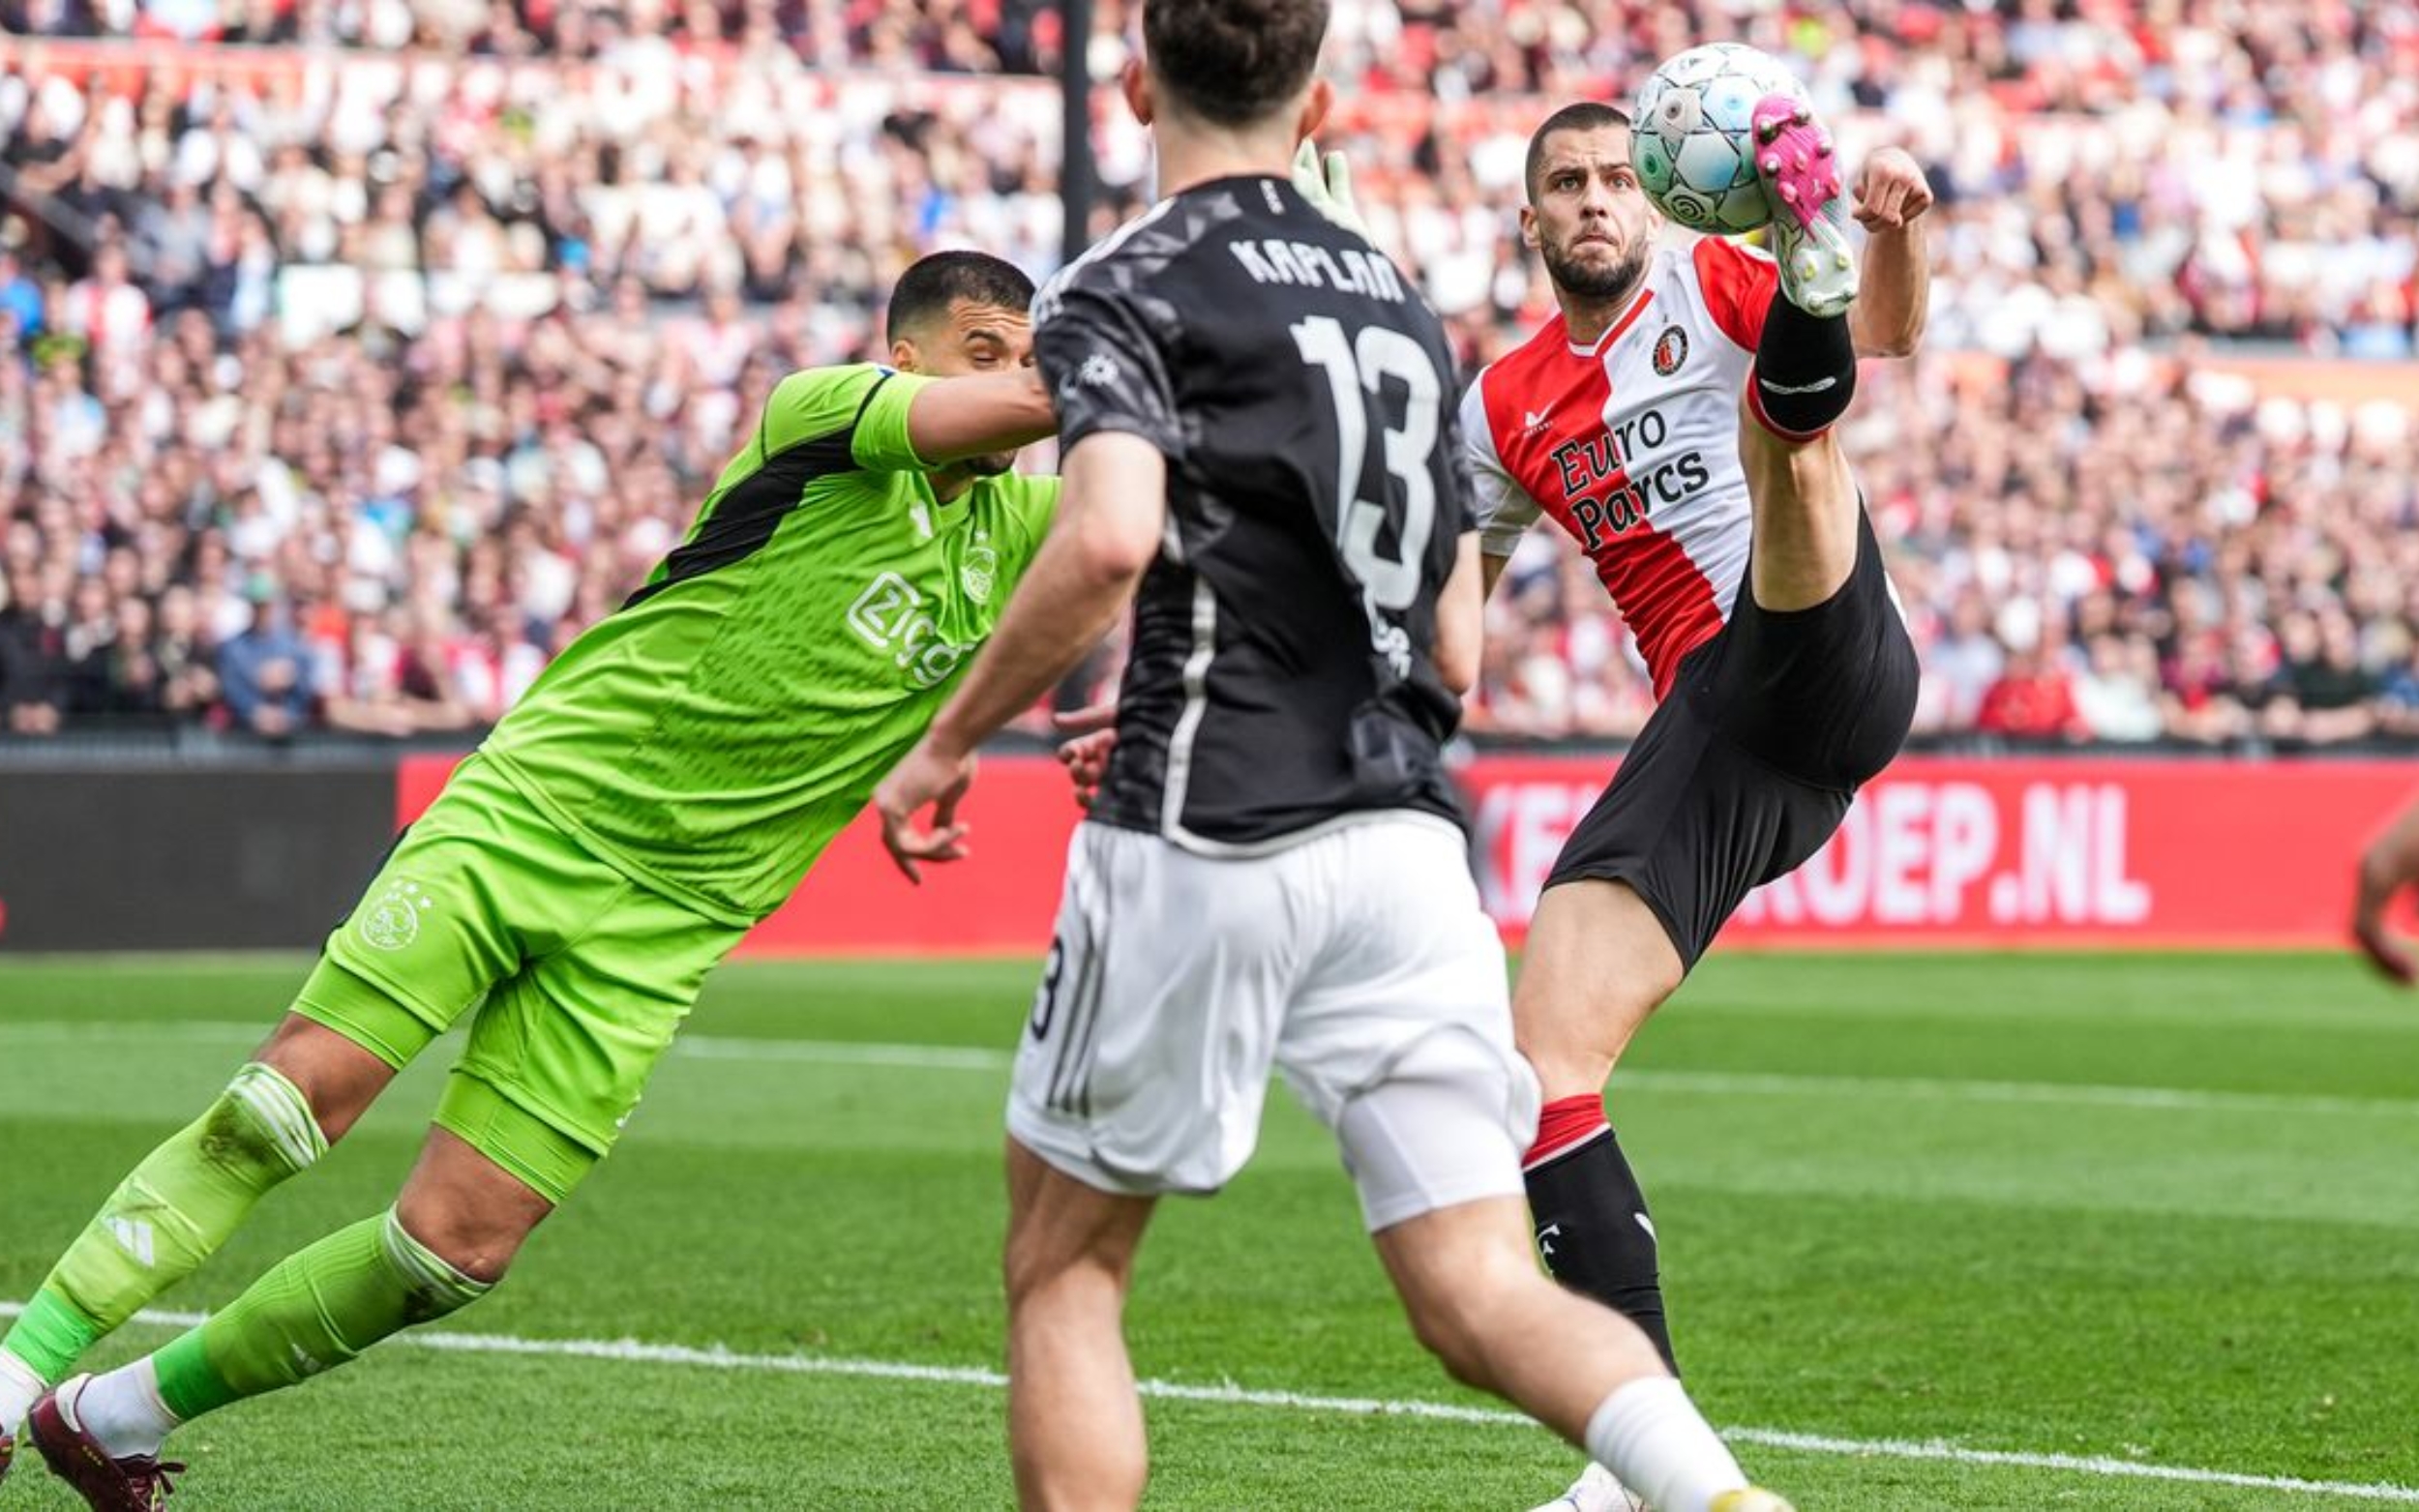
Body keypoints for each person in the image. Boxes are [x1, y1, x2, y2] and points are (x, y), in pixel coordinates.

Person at [874, 6, 1791, 1510]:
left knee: (1064, 1268)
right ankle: (1719, 1499)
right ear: (1316, 108)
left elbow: (1105, 537)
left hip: (1213, 815)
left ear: (1131, 80)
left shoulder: (1128, 278)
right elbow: (1443, 639)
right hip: (1409, 841)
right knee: (1483, 1291)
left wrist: (947, 742)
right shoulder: (1391, 301)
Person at [2, 250, 1061, 1506]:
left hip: (670, 927)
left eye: (1030, 357)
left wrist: (952, 742)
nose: (1016, 382)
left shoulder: (1015, 531)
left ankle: (109, 1417)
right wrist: (1134, 368)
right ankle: (15, 1382)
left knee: (451, 1252)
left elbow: (1136, 542)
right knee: (285, 1108)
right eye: (985, 353)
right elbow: (1052, 425)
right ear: (907, 359)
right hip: (535, 814)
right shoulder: (824, 413)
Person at [1452, 97, 1932, 1512]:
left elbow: (1895, 334)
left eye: (1615, 176)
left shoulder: (1701, 274)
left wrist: (1882, 242)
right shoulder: (1505, 404)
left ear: (1654, 195)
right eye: (1567, 183)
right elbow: (1452, 632)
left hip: (1815, 639)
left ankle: (1815, 278)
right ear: (1529, 221)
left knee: (1788, 442)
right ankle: (1636, 1453)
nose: (1597, 197)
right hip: (1737, 741)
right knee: (1539, 1063)